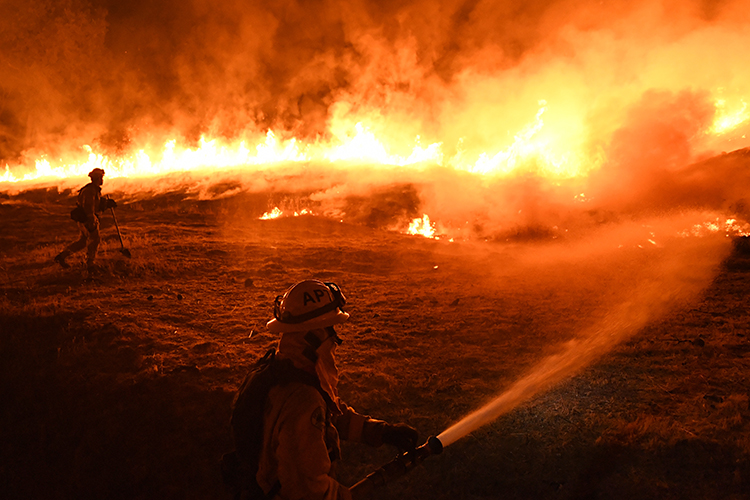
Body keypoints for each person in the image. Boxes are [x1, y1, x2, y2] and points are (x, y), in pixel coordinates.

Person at [228, 279, 419, 500]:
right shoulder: (303, 401)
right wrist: (343, 496)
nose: (335, 339)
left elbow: (328, 418)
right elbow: (307, 488)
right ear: (315, 335)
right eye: (331, 328)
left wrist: (380, 431)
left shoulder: (284, 370)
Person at [54, 168, 117, 271]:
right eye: (101, 177)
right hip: (87, 219)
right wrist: (91, 219)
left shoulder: (93, 189)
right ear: (97, 178)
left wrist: (106, 203)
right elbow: (88, 206)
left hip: (85, 219)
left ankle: (61, 257)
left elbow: (96, 203)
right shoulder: (90, 190)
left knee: (83, 242)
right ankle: (90, 264)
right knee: (95, 240)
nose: (102, 180)